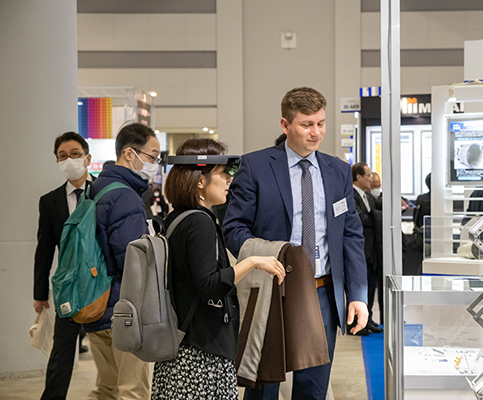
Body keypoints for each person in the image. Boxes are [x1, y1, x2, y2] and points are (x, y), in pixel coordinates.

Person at [223, 86, 368, 400]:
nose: (316, 133)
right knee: (263, 388)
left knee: (313, 389)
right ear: (285, 125)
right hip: (271, 289)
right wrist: (262, 257)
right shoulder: (255, 166)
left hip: (321, 292)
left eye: (321, 123)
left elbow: (351, 235)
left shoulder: (338, 171)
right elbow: (233, 228)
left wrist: (358, 295)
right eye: (306, 125)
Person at [151, 138, 285, 399]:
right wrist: (253, 262)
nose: (229, 180)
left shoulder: (177, 217)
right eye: (222, 174)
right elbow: (208, 284)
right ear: (200, 180)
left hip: (180, 347)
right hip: (200, 356)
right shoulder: (199, 222)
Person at [85, 123, 160, 400]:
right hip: (123, 311)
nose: (154, 164)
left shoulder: (98, 187)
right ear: (130, 153)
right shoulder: (125, 196)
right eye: (152, 156)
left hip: (95, 302)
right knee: (133, 392)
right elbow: (132, 260)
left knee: (107, 389)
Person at [33, 132, 93, 400]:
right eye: (62, 156)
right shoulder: (50, 201)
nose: (69, 160)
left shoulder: (105, 193)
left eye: (75, 154)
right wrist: (39, 294)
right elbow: (44, 249)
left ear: (87, 158)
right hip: (68, 286)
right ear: (57, 161)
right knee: (62, 352)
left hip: (102, 284)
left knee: (111, 352)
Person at [351, 163, 384, 334]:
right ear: (358, 177)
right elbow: (361, 218)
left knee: (371, 285)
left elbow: (375, 212)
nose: (371, 179)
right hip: (359, 249)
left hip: (371, 250)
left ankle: (367, 319)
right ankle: (355, 323)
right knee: (359, 287)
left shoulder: (368, 196)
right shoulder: (351, 195)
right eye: (368, 175)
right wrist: (376, 217)